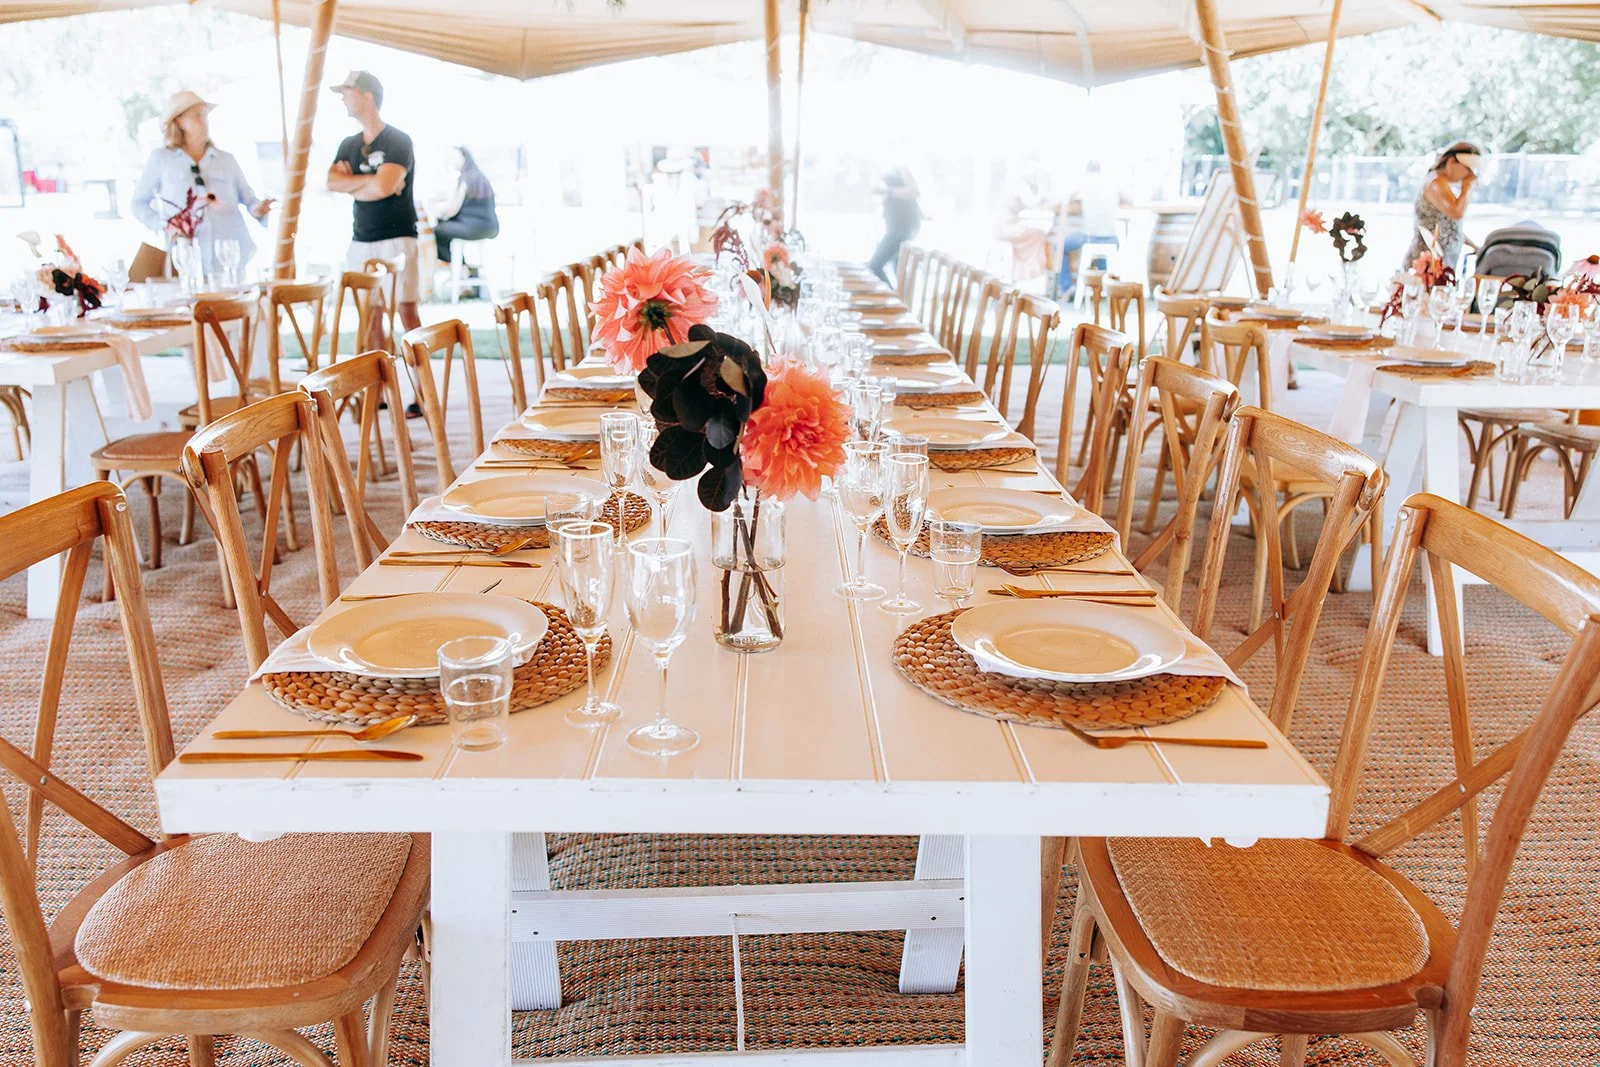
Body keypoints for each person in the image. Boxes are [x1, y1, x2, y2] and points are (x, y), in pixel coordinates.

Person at [131, 90, 273, 278]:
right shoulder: (161, 159)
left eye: (204, 115)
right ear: (179, 121)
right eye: (196, 116)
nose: (203, 121)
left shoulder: (226, 160)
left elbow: (249, 200)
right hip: (185, 259)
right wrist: (165, 226)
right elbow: (138, 203)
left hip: (229, 258)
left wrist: (259, 209)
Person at [326, 71, 420, 352]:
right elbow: (332, 182)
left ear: (367, 96)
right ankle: (379, 393)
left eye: (347, 92)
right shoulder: (348, 144)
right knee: (371, 317)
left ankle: (422, 389)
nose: (343, 98)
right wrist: (371, 182)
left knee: (406, 312)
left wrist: (355, 184)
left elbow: (384, 186)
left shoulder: (398, 141)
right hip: (361, 239)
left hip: (398, 237)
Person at [1402, 141, 1481, 271]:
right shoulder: (1436, 183)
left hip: (1442, 264)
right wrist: (1467, 187)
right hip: (1426, 265)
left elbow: (1450, 226)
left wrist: (1475, 247)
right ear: (1452, 162)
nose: (1470, 175)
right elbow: (1456, 213)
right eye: (1468, 169)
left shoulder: (1443, 185)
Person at [1054, 161, 1122, 301]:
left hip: (1090, 237)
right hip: (1113, 239)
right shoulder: (1112, 183)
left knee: (1058, 246)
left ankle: (1067, 287)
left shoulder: (1084, 182)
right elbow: (1129, 198)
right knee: (1102, 252)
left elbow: (1066, 197)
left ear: (1087, 170)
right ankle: (1102, 288)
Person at [432, 146, 499, 268]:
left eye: (455, 158)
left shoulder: (466, 179)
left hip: (473, 227)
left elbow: (452, 210)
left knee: (437, 231)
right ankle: (466, 269)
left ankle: (461, 267)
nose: (453, 161)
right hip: (490, 227)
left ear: (464, 157)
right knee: (446, 229)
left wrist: (437, 210)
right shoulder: (479, 177)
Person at [867, 166, 922, 285]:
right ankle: (897, 299)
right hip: (894, 224)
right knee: (897, 268)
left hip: (903, 224)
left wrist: (887, 191)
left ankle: (893, 300)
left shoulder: (900, 168)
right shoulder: (883, 170)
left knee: (874, 265)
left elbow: (915, 191)